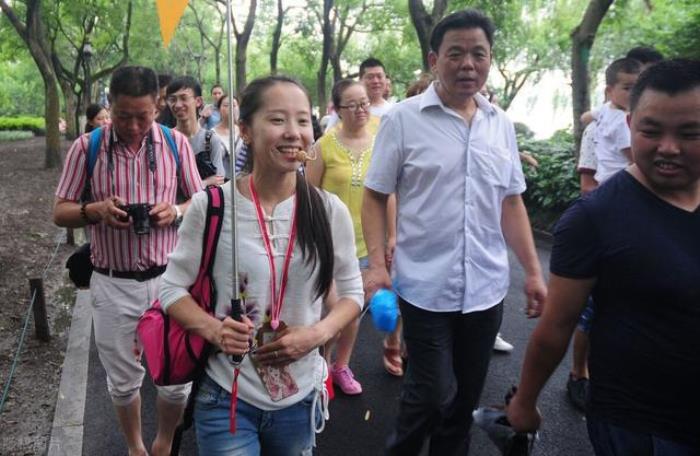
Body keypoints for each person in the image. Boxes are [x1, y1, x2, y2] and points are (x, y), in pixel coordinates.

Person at [362, 10, 546, 454]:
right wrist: (375, 265)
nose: (468, 64)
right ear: (434, 59)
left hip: (485, 287)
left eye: (478, 54)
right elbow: (374, 195)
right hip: (424, 286)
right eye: (456, 53)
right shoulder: (402, 119)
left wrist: (535, 272)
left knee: (463, 401)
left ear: (490, 60)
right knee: (428, 393)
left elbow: (511, 201)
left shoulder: (498, 123)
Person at [159, 75, 364, 455]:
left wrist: (317, 334)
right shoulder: (212, 206)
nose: (293, 133)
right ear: (246, 131)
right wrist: (213, 329)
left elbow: (352, 293)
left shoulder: (327, 210)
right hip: (226, 396)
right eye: (277, 120)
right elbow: (171, 289)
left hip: (300, 398)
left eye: (303, 121)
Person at [507, 58, 700, 455]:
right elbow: (555, 327)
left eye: (689, 133)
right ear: (629, 126)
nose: (669, 148)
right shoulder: (594, 218)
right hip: (642, 427)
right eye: (651, 130)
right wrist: (525, 403)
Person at [53, 66, 204, 456]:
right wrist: (95, 210)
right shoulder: (87, 147)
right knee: (122, 381)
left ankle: (164, 443)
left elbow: (199, 202)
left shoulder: (175, 144)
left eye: (143, 115)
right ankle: (135, 447)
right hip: (111, 281)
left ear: (158, 104)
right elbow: (60, 211)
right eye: (123, 116)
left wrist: (176, 210)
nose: (134, 125)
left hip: (170, 283)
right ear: (110, 106)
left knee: (176, 380)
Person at [307, 79, 398, 392]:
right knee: (333, 310)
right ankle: (320, 365)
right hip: (329, 244)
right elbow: (309, 196)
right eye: (353, 105)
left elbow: (389, 194)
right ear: (338, 109)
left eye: (364, 103)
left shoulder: (381, 142)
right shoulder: (323, 147)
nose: (361, 109)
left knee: (354, 309)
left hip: (365, 243)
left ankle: (340, 367)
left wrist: (391, 236)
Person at [166, 76, 227, 186]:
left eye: (184, 98)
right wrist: (206, 182)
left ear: (198, 101)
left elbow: (219, 180)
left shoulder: (211, 139)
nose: (178, 105)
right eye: (173, 100)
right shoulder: (165, 139)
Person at [324, 57, 394, 132]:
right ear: (360, 80)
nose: (376, 81)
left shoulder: (393, 110)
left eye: (379, 76)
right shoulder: (346, 108)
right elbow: (329, 135)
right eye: (370, 77)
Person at [212, 93, 245, 180]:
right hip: (220, 182)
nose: (230, 108)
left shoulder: (245, 132)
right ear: (219, 109)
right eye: (226, 105)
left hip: (242, 180)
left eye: (234, 105)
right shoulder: (211, 134)